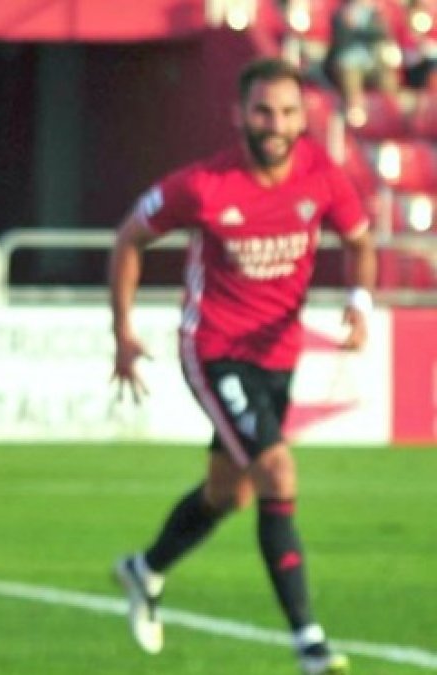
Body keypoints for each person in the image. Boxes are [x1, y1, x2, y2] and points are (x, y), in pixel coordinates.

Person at [108, 58, 375, 675]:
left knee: (228, 493)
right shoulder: (205, 185)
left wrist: (359, 302)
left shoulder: (322, 175)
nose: (275, 124)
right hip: (214, 349)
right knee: (277, 475)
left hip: (277, 357)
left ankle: (144, 571)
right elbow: (129, 237)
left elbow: (360, 242)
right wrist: (122, 331)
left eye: (287, 112)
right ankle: (309, 641)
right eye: (263, 111)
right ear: (239, 115)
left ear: (304, 116)